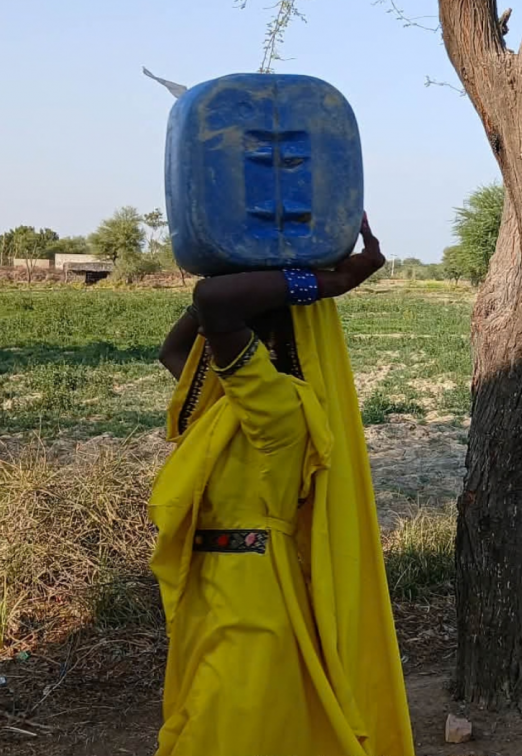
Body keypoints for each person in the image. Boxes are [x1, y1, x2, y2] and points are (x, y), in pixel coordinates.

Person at [150, 215, 415, 756]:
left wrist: (329, 285)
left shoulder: (281, 412)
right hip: (210, 589)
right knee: (217, 724)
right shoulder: (220, 403)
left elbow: (215, 299)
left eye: (243, 333)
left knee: (229, 727)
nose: (221, 345)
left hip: (253, 600)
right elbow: (179, 345)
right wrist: (256, 277)